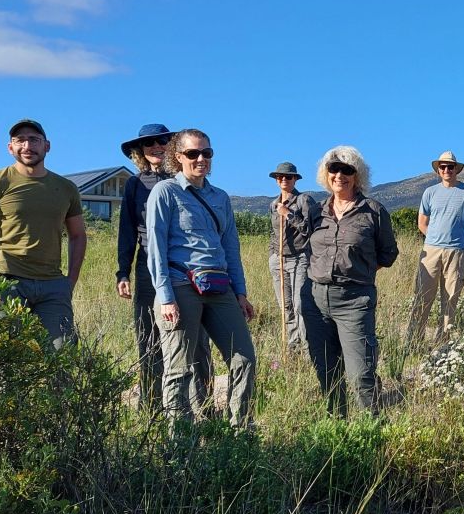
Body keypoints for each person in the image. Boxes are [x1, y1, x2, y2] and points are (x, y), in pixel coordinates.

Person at [146, 129, 257, 428]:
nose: (201, 159)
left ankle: (239, 432)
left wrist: (241, 292)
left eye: (207, 153)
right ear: (178, 157)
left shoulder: (220, 197)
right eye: (193, 153)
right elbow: (155, 247)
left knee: (244, 359)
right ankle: (179, 443)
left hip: (220, 286)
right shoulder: (165, 192)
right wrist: (165, 296)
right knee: (179, 368)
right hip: (181, 286)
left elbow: (231, 247)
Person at [0, 118, 87, 349]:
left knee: (63, 355)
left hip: (52, 285)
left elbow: (78, 235)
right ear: (10, 148)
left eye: (34, 140)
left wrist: (70, 281)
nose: (27, 146)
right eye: (20, 140)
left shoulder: (66, 188)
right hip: (6, 281)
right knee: (6, 357)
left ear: (47, 146)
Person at [116, 123, 214, 412]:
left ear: (173, 149)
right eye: (149, 144)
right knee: (149, 337)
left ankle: (203, 404)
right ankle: (153, 406)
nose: (156, 147)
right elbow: (127, 231)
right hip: (148, 269)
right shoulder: (135, 185)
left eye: (162, 141)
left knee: (195, 337)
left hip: (187, 269)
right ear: (140, 151)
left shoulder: (185, 180)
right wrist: (123, 271)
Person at [304, 146, 399, 415]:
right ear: (326, 173)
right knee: (326, 371)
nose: (340, 175)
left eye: (348, 170)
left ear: (358, 175)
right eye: (334, 168)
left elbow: (388, 253)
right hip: (316, 302)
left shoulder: (373, 211)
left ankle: (371, 430)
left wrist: (360, 271)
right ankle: (337, 425)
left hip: (354, 301)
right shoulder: (316, 211)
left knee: (361, 374)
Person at [405, 151, 464, 346]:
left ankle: (443, 343)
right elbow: (422, 222)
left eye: (450, 166)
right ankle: (413, 342)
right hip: (431, 250)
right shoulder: (429, 192)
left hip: (456, 251)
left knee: (451, 299)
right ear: (438, 170)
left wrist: (460, 242)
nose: (447, 170)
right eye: (443, 167)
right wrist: (434, 238)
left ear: (456, 169)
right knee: (422, 297)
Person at [269, 161, 319, 351]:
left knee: (300, 306)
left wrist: (288, 214)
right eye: (280, 177)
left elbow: (310, 229)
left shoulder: (304, 200)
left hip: (299, 258)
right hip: (278, 259)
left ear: (295, 179)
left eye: (288, 177)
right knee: (286, 306)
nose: (283, 180)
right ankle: (292, 348)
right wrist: (272, 255)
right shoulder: (273, 204)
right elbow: (274, 233)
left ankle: (308, 350)